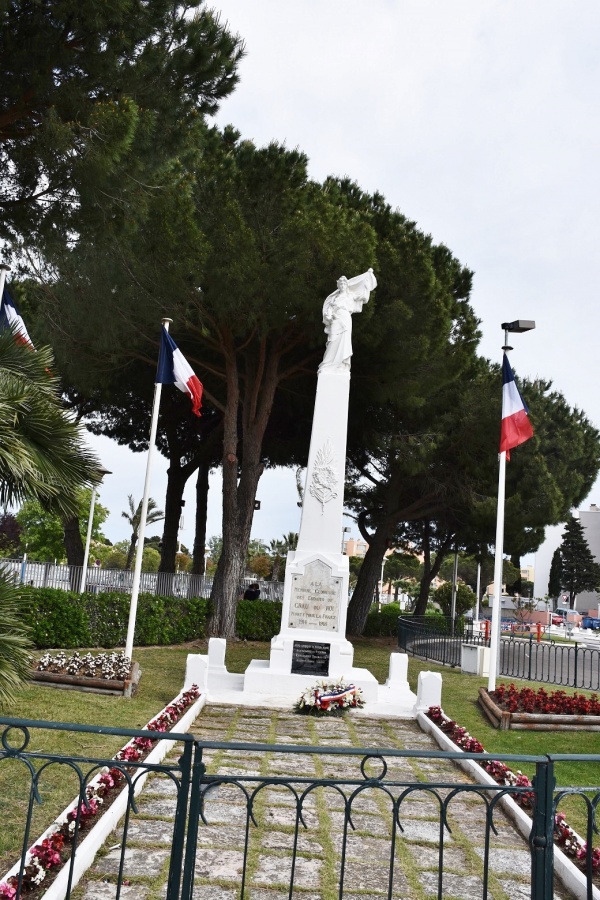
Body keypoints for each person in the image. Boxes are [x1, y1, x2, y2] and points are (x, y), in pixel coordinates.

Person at [318, 268, 377, 373]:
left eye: (344, 284)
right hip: (335, 319)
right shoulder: (334, 298)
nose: (342, 285)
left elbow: (364, 297)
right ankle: (328, 363)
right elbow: (329, 310)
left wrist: (367, 282)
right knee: (332, 340)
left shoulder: (351, 295)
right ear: (338, 286)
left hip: (345, 318)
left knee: (344, 341)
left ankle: (341, 363)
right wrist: (328, 316)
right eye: (340, 284)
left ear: (346, 285)